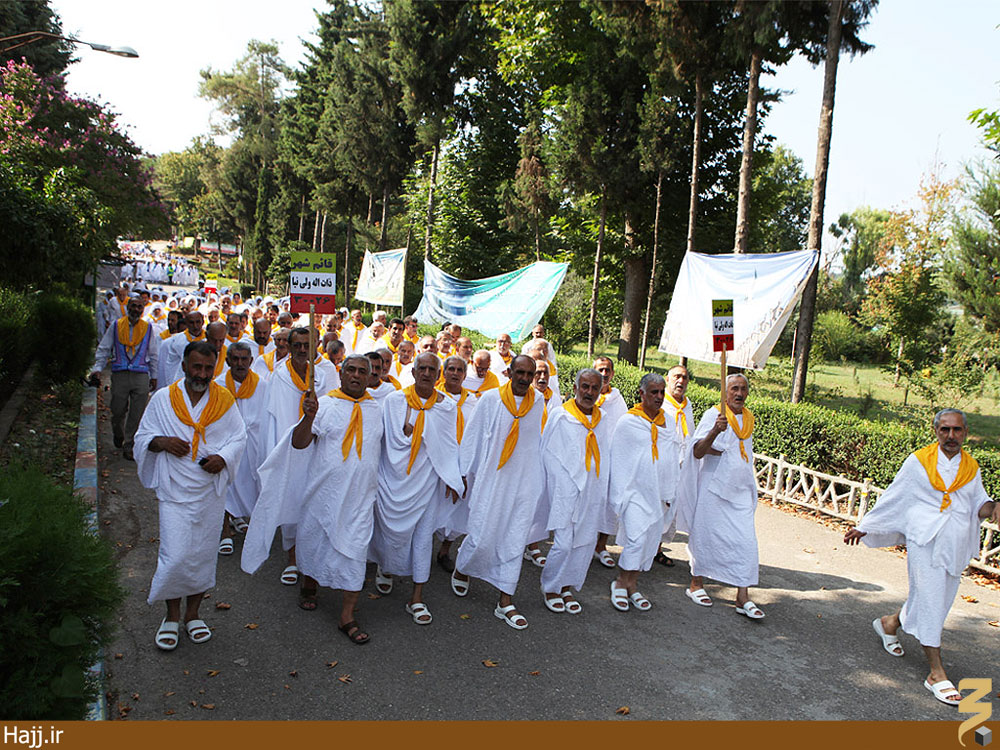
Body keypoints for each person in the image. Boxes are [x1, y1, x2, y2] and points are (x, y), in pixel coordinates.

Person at [844, 409, 999, 706]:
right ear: (936, 430)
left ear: (965, 432)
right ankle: (936, 674)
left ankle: (889, 624)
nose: (950, 436)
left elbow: (976, 504)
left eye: (956, 430)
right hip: (924, 541)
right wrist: (865, 527)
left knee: (936, 601)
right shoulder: (919, 462)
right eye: (945, 430)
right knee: (929, 601)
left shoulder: (972, 467)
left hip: (955, 544)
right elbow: (895, 495)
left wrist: (993, 508)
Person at [242, 355, 382, 645]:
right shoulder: (325, 405)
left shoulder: (377, 409)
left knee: (355, 553)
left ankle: (347, 616)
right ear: (341, 374)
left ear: (370, 377)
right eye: (351, 370)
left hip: (360, 499)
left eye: (362, 372)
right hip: (324, 496)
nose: (356, 376)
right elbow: (299, 442)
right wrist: (308, 416)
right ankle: (309, 581)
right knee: (315, 543)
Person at [134, 341, 247, 650]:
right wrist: (162, 442)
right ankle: (171, 616)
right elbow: (142, 437)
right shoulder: (163, 400)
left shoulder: (224, 400)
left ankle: (193, 614)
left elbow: (239, 438)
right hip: (174, 490)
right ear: (183, 365)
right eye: (196, 366)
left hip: (209, 492)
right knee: (176, 555)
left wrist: (223, 458)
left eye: (209, 368)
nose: (202, 373)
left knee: (201, 555)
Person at [451, 355, 545, 630]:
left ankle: (505, 600)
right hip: (492, 480)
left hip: (523, 483)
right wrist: (463, 476)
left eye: (530, 374)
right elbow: (472, 437)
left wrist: (536, 482)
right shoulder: (491, 399)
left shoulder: (537, 401)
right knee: (481, 536)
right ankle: (462, 568)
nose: (526, 379)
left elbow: (533, 443)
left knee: (514, 538)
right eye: (521, 373)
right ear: (509, 372)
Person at [370, 353, 464, 625]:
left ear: (438, 376)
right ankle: (385, 568)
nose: (425, 373)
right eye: (421, 368)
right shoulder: (394, 401)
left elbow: (449, 446)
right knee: (388, 531)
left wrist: (453, 477)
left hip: (427, 483)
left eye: (431, 369)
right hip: (394, 479)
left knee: (423, 538)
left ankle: (417, 597)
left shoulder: (446, 407)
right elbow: (385, 440)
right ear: (412, 372)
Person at [677, 373, 763, 618]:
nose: (739, 393)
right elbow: (698, 451)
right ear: (725, 392)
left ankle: (742, 596)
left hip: (740, 490)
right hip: (713, 489)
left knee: (746, 542)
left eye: (743, 389)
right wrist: (715, 431)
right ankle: (696, 584)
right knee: (706, 535)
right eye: (734, 388)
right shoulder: (714, 414)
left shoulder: (748, 419)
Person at [262, 326, 333, 584]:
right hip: (290, 448)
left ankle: (313, 557)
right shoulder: (278, 376)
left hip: (319, 448)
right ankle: (292, 559)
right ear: (289, 348)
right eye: (298, 345)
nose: (303, 349)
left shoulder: (327, 373)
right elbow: (270, 417)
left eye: (307, 344)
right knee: (291, 502)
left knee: (316, 505)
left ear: (315, 347)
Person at [608, 373, 681, 613]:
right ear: (642, 394)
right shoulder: (629, 422)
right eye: (654, 392)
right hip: (634, 493)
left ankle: (633, 584)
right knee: (635, 539)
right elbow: (618, 459)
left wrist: (670, 492)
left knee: (649, 540)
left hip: (658, 494)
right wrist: (619, 496)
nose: (659, 397)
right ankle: (620, 581)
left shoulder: (669, 422)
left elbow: (671, 459)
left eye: (662, 392)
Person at [539, 368, 609, 615]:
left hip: (592, 490)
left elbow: (607, 456)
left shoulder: (603, 419)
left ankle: (566, 585)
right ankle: (551, 587)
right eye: (585, 386)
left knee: (585, 542)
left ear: (600, 391)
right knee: (564, 543)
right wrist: (562, 484)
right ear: (576, 387)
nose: (589, 392)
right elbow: (547, 452)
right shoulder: (560, 416)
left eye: (594, 388)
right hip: (565, 490)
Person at [90, 296, 160, 461]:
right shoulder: (116, 326)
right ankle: (118, 433)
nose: (136, 310)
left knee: (137, 412)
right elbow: (104, 348)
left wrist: (154, 375)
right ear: (128, 307)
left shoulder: (148, 328)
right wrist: (97, 369)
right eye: (133, 306)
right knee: (118, 409)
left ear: (143, 310)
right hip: (120, 374)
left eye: (139, 307)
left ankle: (130, 444)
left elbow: (153, 354)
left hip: (141, 374)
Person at [215, 341, 268, 555]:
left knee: (250, 484)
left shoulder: (263, 385)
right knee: (224, 485)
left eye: (244, 359)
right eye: (235, 359)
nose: (239, 363)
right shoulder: (218, 385)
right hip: (226, 445)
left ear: (251, 361)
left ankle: (240, 518)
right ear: (227, 361)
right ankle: (225, 531)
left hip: (253, 445)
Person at [434, 356, 478, 572]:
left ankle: (445, 549)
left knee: (458, 509)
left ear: (464, 374)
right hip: (436, 463)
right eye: (450, 369)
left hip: (462, 462)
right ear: (443, 372)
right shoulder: (434, 398)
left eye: (459, 370)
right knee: (431, 506)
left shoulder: (473, 402)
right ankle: (421, 549)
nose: (454, 373)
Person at [654, 364, 694, 567]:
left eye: (685, 378)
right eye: (676, 376)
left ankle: (657, 549)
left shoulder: (687, 406)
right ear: (667, 379)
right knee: (657, 507)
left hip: (682, 467)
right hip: (662, 465)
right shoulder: (659, 404)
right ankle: (643, 549)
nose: (680, 381)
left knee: (672, 511)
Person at [592, 356, 629, 567]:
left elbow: (623, 429)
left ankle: (601, 545)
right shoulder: (586, 395)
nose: (604, 374)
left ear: (612, 374)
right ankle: (585, 544)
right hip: (589, 458)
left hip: (611, 459)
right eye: (600, 370)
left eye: (607, 370)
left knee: (609, 504)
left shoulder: (617, 400)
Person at [158, 311, 206, 388]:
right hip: (180, 382)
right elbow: (170, 365)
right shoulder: (176, 340)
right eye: (191, 323)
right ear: (186, 323)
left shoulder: (208, 339)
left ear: (203, 322)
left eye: (198, 322)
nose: (195, 326)